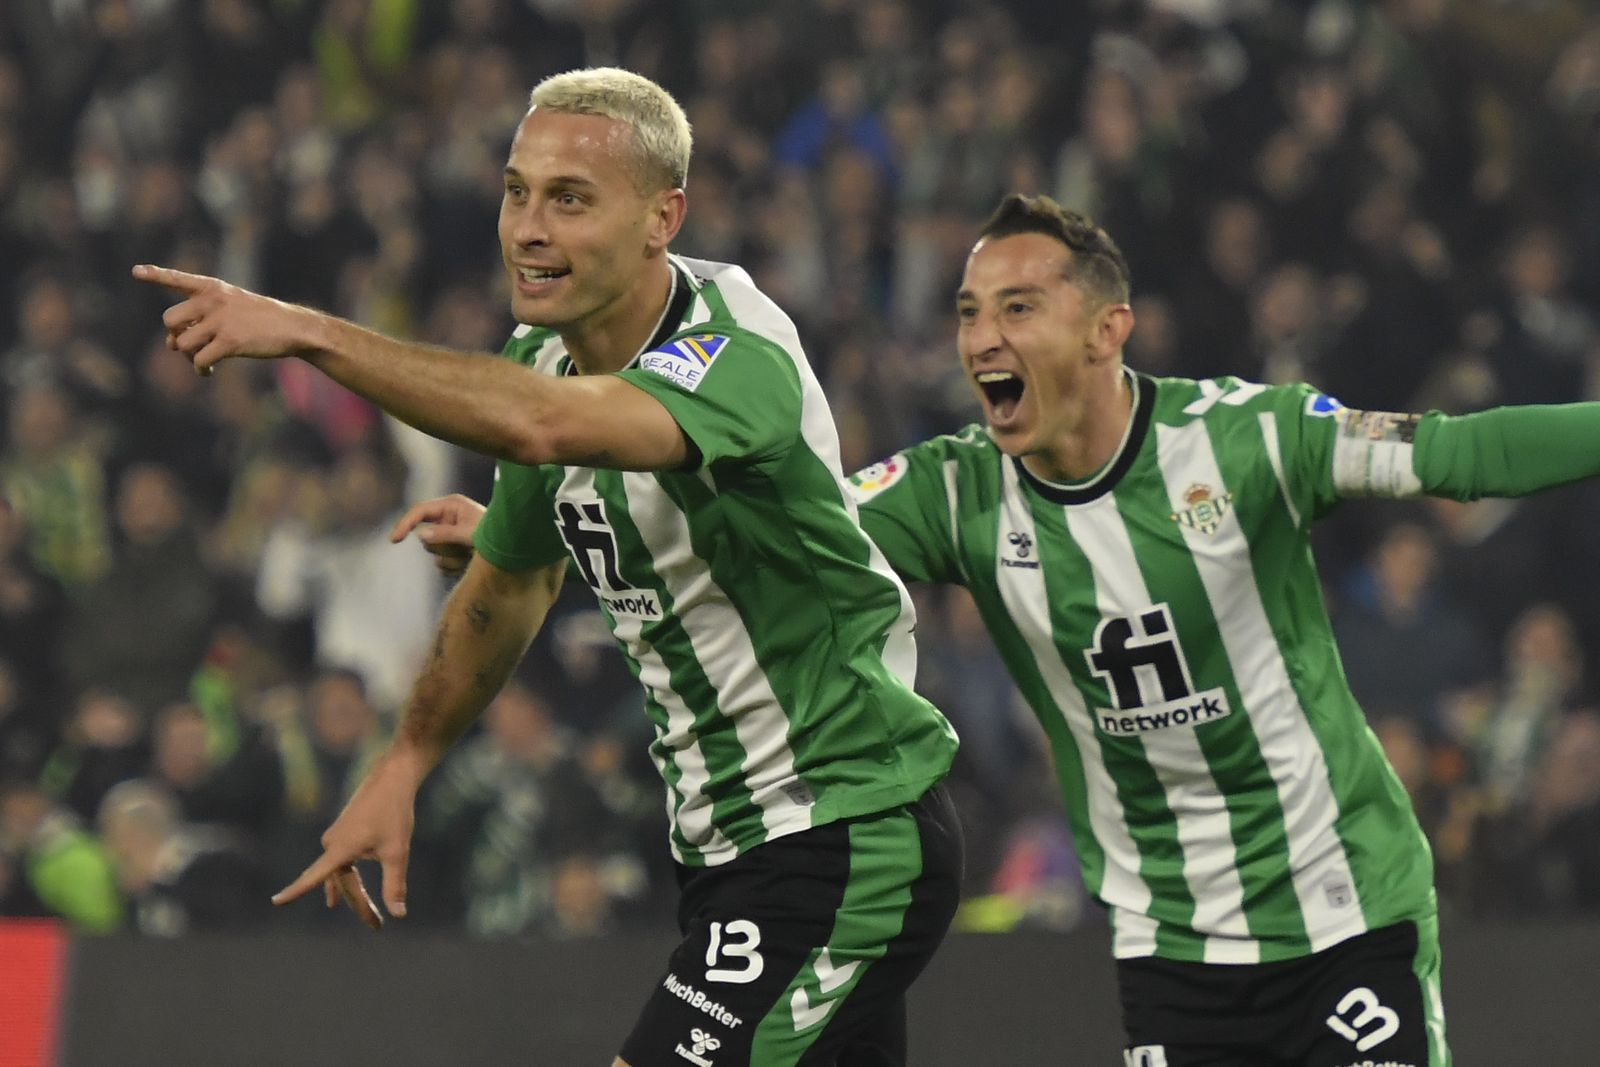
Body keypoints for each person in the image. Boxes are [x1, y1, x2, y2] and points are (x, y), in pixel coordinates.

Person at [135, 67, 961, 1067]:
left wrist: (309, 331)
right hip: (732, 849)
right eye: (516, 192)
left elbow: (546, 426)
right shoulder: (545, 356)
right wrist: (405, 760)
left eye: (569, 199)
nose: (528, 228)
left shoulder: (734, 346)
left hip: (840, 827)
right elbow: (511, 582)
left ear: (662, 218)